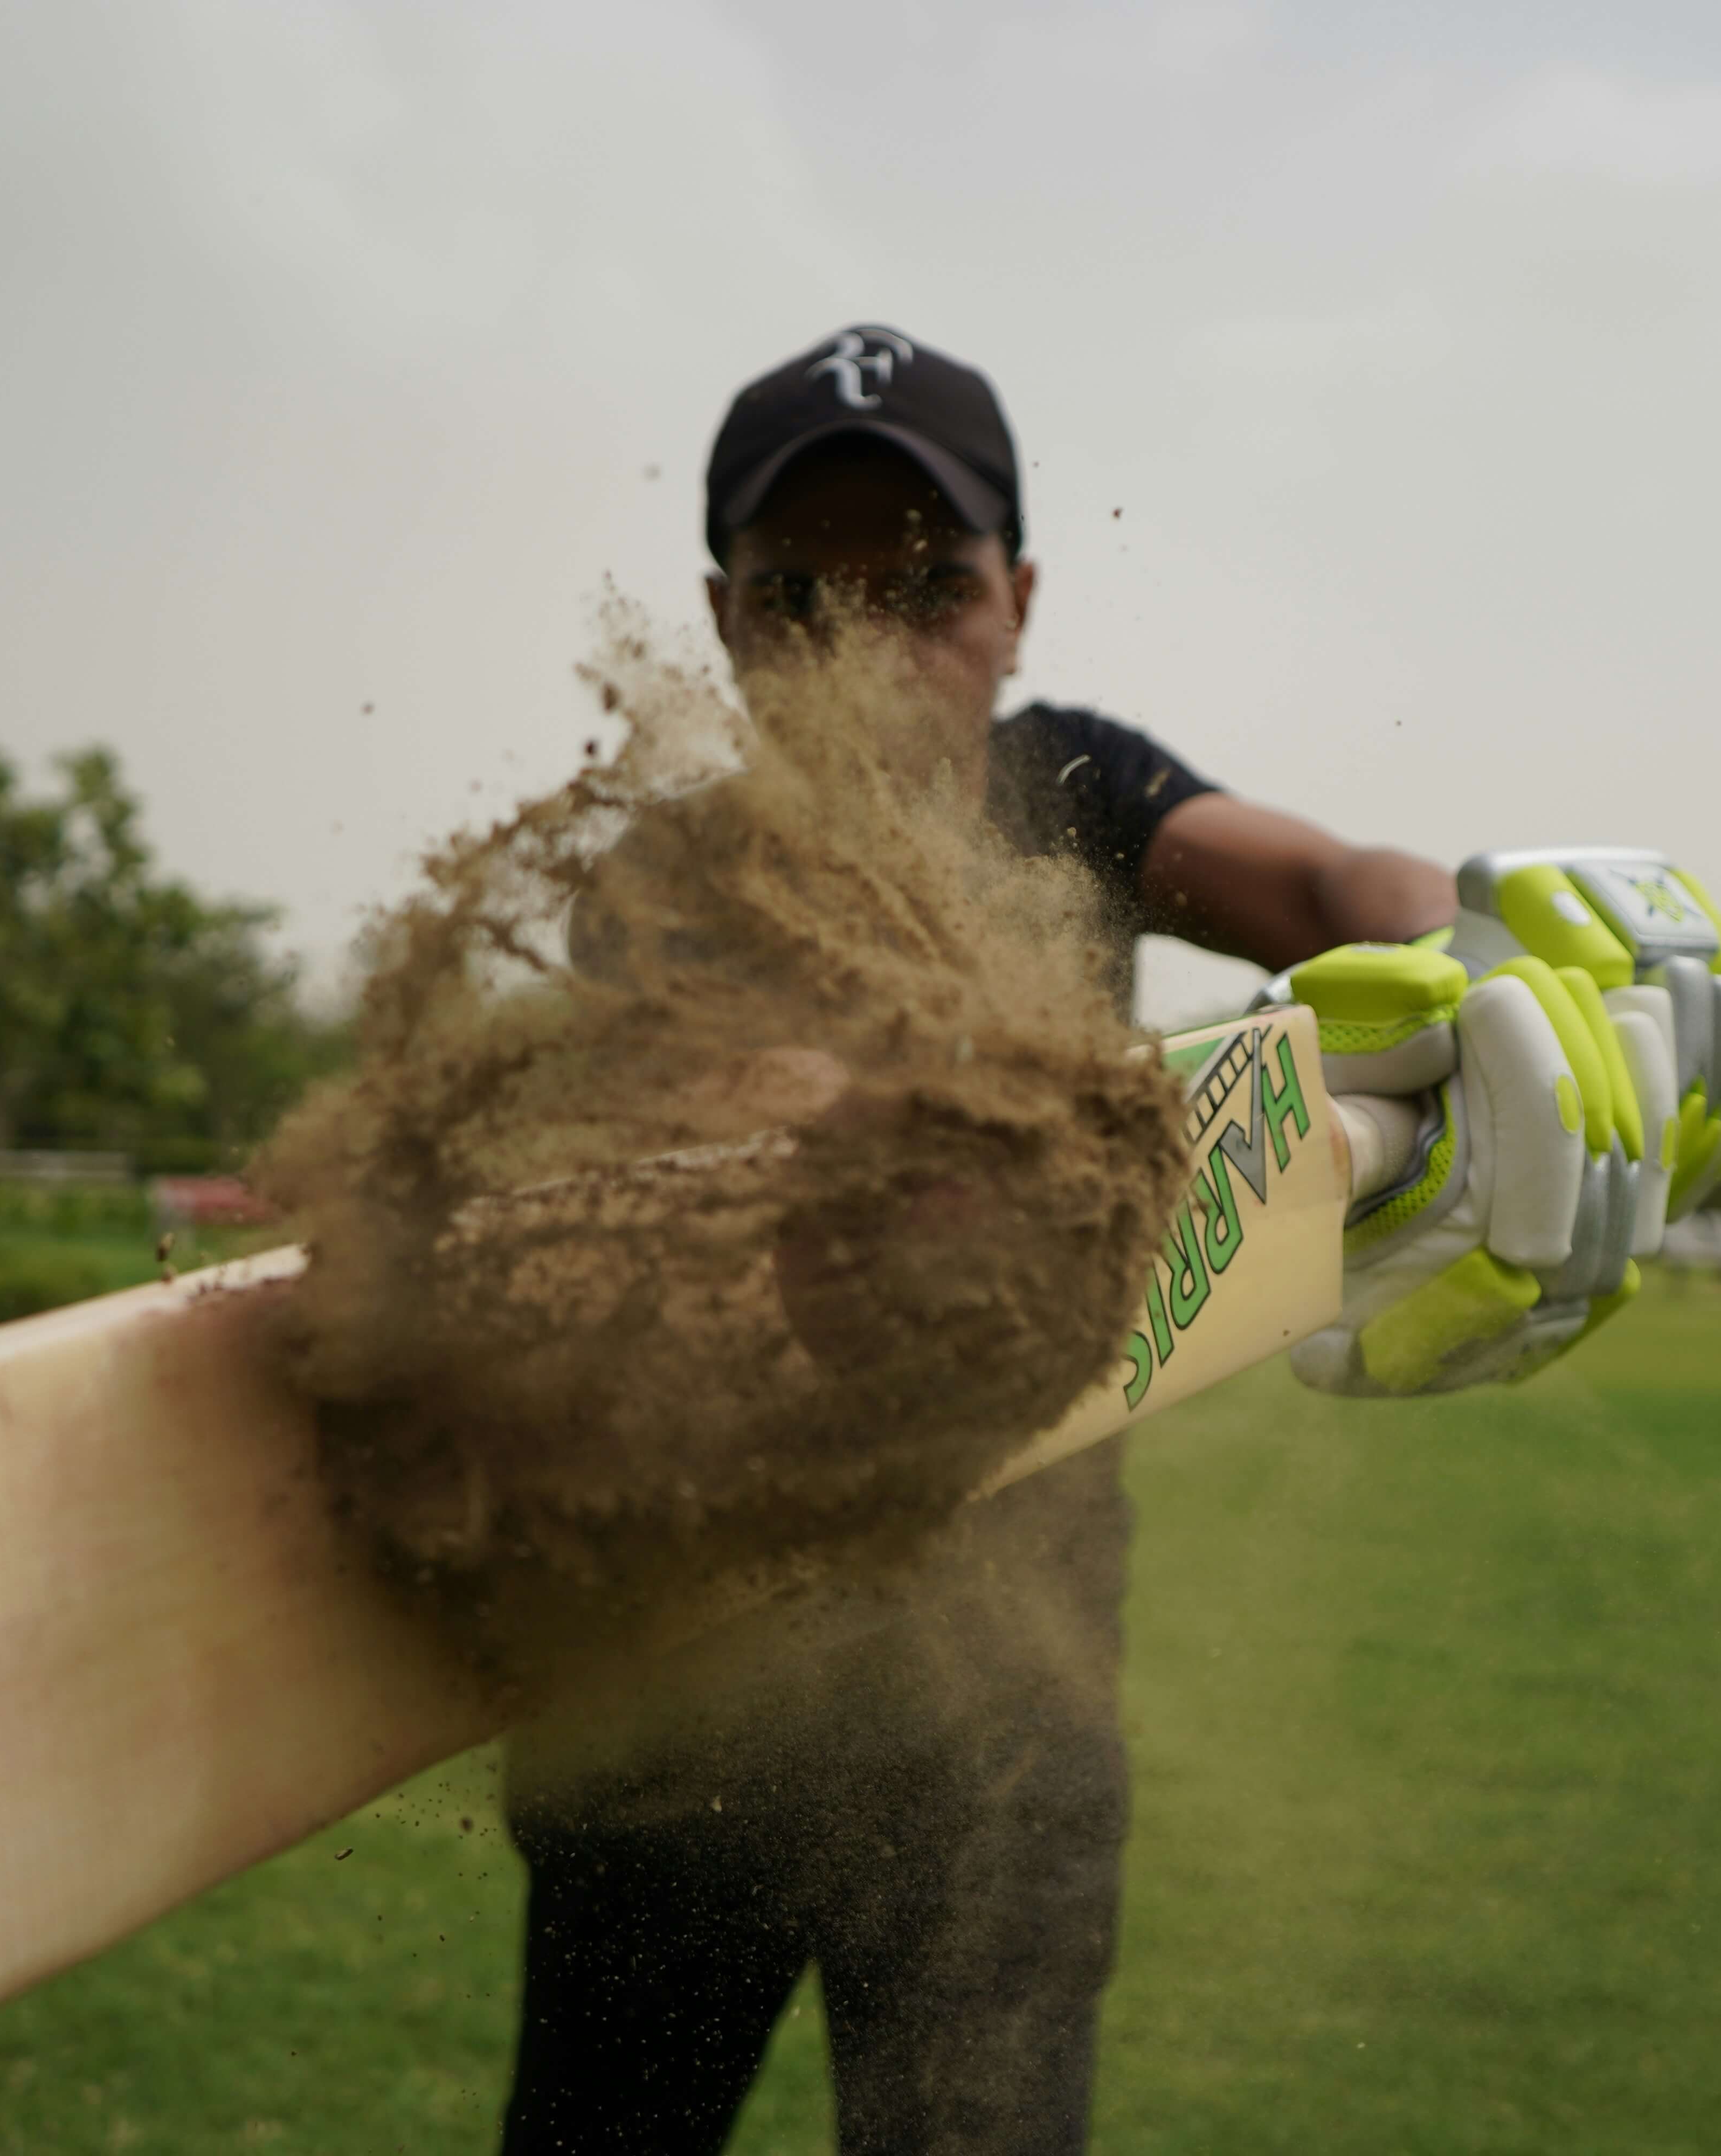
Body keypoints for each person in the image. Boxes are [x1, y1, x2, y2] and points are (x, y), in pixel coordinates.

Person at [493, 325, 1459, 2156]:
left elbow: (1335, 890)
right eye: (800, 597)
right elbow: (721, 1114)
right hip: (668, 1717)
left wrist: (1477, 960)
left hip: (998, 1730)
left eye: (930, 587)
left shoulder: (1077, 791)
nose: (868, 649)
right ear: (719, 615)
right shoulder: (658, 876)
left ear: (1020, 601)